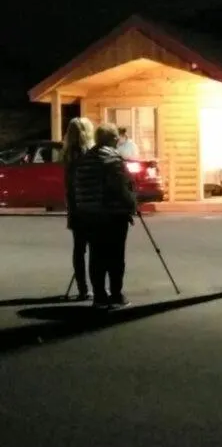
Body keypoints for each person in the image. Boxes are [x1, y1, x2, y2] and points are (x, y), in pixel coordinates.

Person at [73, 123, 137, 309]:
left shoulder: (85, 159)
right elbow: (120, 188)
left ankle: (99, 295)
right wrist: (131, 204)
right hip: (112, 215)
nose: (118, 140)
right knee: (115, 256)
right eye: (116, 137)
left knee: (96, 255)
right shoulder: (112, 158)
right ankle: (116, 295)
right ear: (112, 139)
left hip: (89, 215)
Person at [62, 117, 95, 301]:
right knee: (95, 249)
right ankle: (97, 287)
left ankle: (83, 288)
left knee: (79, 249)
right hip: (91, 206)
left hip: (75, 207)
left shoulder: (68, 154)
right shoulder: (90, 153)